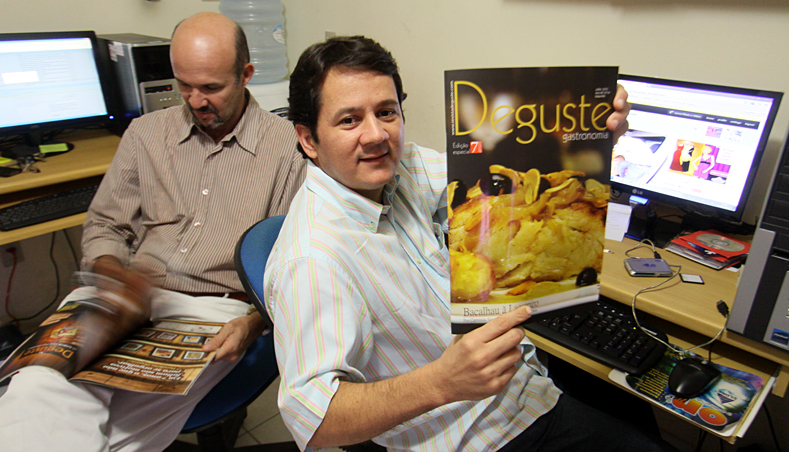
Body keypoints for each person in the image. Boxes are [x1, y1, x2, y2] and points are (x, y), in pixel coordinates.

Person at [264, 36, 678, 452]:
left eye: (386, 112)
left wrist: (592, 134)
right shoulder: (313, 258)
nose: (375, 135)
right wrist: (441, 382)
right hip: (474, 436)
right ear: (309, 139)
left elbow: (503, 180)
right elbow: (314, 420)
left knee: (639, 419)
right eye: (349, 120)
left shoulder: (400, 170)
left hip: (523, 386)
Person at [0, 12, 305, 451]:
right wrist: (112, 275)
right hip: (124, 298)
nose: (196, 100)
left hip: (213, 311)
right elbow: (105, 224)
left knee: (122, 433)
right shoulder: (145, 134)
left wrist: (253, 322)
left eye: (211, 87)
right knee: (34, 386)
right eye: (184, 85)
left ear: (246, 74)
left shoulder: (287, 148)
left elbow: (288, 264)